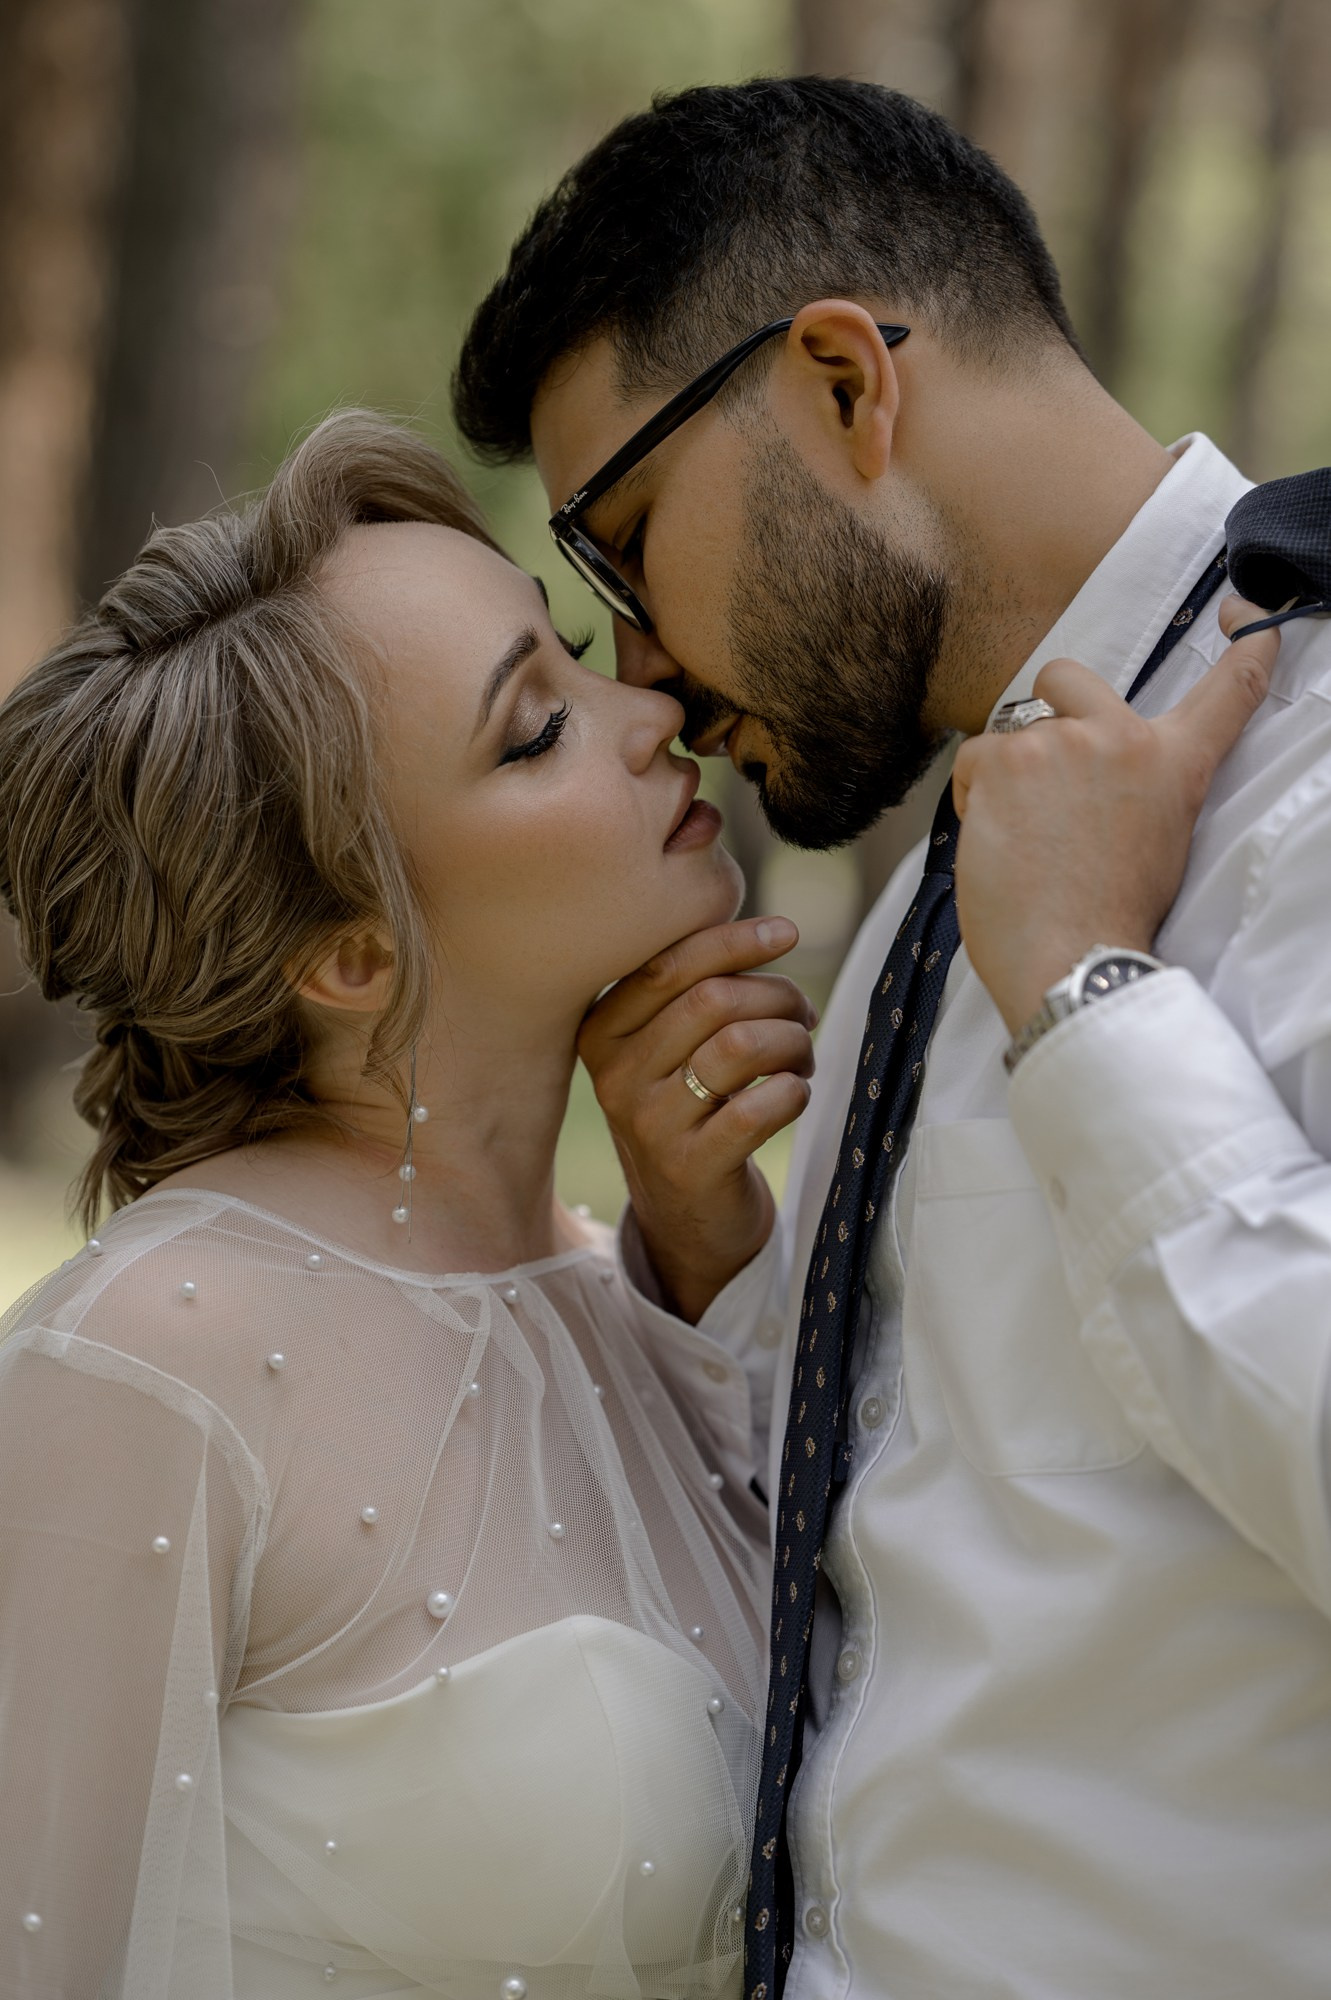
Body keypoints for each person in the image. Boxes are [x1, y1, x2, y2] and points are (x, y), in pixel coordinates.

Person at [453, 77, 1331, 2000]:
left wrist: (1093, 1003)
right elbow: (947, 1553)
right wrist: (721, 1262)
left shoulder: (1307, 790)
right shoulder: (952, 876)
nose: (644, 678)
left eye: (626, 546)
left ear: (846, 382)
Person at [0, 411, 817, 1999]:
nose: (648, 706)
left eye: (571, 652)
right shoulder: (153, 1357)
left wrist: (710, 1257)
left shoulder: (636, 1282)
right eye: (536, 728)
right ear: (352, 953)